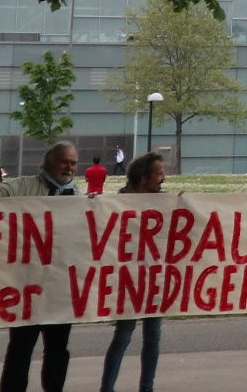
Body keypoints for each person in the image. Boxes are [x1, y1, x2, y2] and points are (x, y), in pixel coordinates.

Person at [0, 141, 81, 392]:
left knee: (58, 350)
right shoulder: (25, 186)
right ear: (47, 163)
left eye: (73, 162)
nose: (69, 167)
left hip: (60, 289)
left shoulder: (78, 196)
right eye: (64, 161)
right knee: (20, 351)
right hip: (27, 286)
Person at [100, 154, 169, 392]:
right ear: (143, 177)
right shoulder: (118, 203)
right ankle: (107, 388)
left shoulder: (164, 203)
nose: (163, 179)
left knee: (152, 337)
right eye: (159, 173)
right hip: (129, 280)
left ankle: (146, 387)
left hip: (154, 278)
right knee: (123, 335)